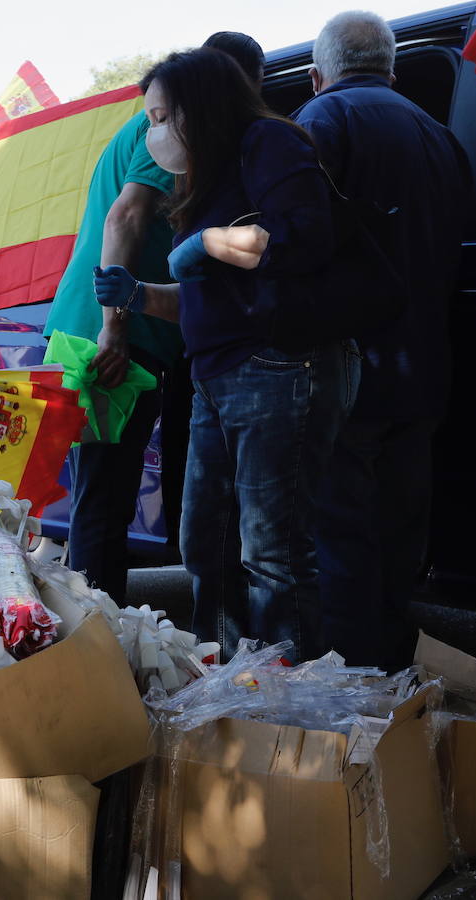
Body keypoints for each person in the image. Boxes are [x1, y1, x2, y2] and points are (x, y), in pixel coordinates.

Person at [94, 48, 359, 661]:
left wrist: (212, 242)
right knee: (203, 542)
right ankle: (226, 674)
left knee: (272, 553)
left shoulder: (268, 143)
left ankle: (290, 706)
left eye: (162, 117)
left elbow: (305, 239)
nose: (154, 133)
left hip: (280, 368)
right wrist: (139, 297)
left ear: (201, 108)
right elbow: (205, 301)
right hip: (216, 375)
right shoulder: (203, 178)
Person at [43, 31, 264, 606]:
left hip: (114, 326)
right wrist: (115, 327)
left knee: (102, 494)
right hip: (113, 333)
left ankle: (105, 640)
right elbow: (125, 217)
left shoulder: (161, 127)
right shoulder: (169, 131)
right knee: (104, 498)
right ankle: (99, 647)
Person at [296, 11, 471, 670]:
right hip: (424, 373)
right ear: (391, 69)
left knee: (341, 539)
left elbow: (298, 243)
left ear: (317, 76)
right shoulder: (441, 136)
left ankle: (354, 697)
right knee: (400, 543)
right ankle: (398, 679)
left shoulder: (322, 122)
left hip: (348, 376)